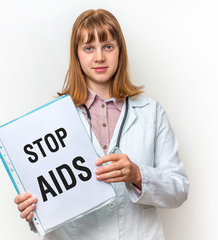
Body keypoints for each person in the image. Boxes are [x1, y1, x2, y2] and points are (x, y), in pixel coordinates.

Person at [14, 9, 189, 240]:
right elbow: (48, 202)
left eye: (108, 46)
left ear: (120, 52)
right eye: (88, 48)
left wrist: (137, 175)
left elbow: (179, 190)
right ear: (76, 55)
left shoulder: (151, 112)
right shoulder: (51, 119)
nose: (99, 57)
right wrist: (33, 212)